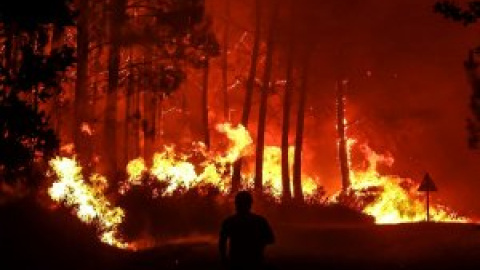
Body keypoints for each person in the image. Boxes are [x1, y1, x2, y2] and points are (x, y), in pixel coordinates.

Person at [219, 191, 275, 270]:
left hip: (235, 262)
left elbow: (222, 243)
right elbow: (270, 239)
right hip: (255, 261)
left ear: (236, 204)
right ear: (250, 204)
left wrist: (224, 259)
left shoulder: (229, 221)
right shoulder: (259, 221)